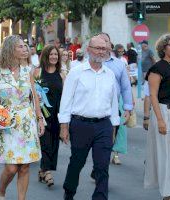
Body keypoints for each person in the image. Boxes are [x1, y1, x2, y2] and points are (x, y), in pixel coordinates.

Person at [59, 36, 119, 200]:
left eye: (104, 49)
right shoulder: (76, 72)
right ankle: (69, 193)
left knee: (102, 166)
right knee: (76, 163)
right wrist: (64, 127)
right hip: (80, 125)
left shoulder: (110, 74)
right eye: (97, 48)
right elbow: (66, 100)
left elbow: (113, 104)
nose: (101, 52)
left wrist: (113, 128)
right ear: (88, 50)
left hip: (104, 126)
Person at [0, 35, 44, 200]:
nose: (24, 49)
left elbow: (33, 96)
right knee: (12, 168)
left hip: (26, 121)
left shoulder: (28, 70)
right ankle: (2, 191)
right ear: (10, 49)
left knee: (25, 166)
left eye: (25, 46)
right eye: (20, 46)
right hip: (7, 123)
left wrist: (40, 119)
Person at [144, 33, 170, 200]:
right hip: (165, 112)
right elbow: (153, 96)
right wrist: (160, 120)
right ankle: (168, 192)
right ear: (163, 48)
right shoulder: (158, 68)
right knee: (167, 154)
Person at [97, 32, 133, 165]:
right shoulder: (88, 64)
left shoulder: (119, 64)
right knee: (98, 141)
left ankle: (104, 164)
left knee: (111, 138)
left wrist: (128, 108)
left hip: (114, 107)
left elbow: (126, 87)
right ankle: (99, 166)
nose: (102, 44)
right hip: (94, 108)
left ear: (110, 45)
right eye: (99, 41)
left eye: (105, 41)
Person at [33, 45, 65, 188]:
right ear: (46, 56)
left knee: (53, 144)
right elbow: (31, 93)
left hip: (57, 114)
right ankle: (47, 172)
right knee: (45, 142)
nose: (54, 57)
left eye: (56, 55)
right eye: (51, 54)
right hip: (42, 114)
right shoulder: (37, 72)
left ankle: (42, 170)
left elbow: (65, 96)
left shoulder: (62, 74)